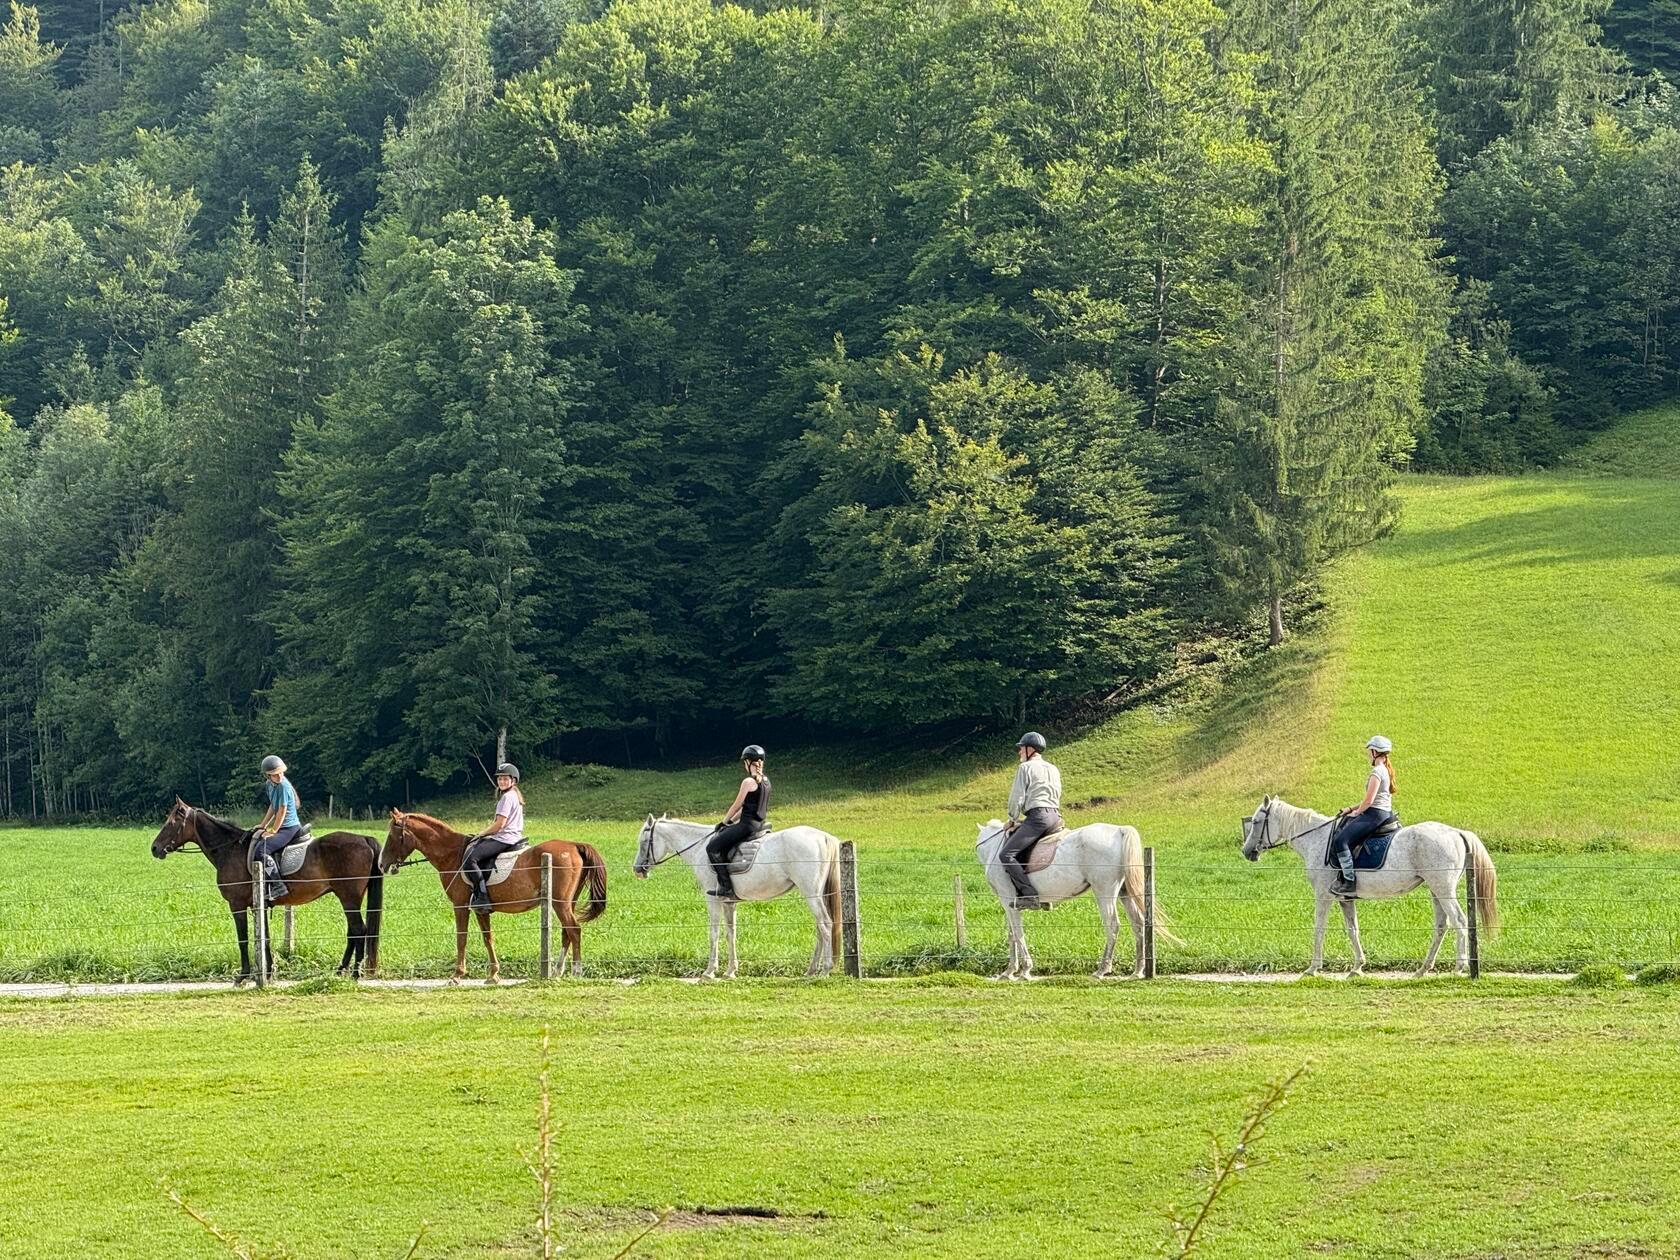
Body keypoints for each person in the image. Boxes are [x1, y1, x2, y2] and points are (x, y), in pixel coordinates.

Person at [998, 732, 1063, 911]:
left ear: (1029, 749)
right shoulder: (1053, 768)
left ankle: (1029, 895)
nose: (1019, 752)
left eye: (1021, 748)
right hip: (1055, 816)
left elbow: (1017, 796)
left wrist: (1012, 819)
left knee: (1006, 855)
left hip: (1038, 817)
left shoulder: (1025, 768)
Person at [1329, 735, 1398, 897]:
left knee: (1341, 840)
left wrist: (1357, 812)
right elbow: (1371, 800)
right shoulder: (1385, 770)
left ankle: (1349, 882)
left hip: (1375, 814)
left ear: (1375, 752)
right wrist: (1349, 808)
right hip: (1382, 812)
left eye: (1369, 751)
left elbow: (1368, 801)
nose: (1368, 755)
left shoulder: (1377, 772)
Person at [706, 746, 771, 900]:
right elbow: (748, 808)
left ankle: (726, 887)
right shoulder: (766, 781)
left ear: (749, 762)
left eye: (745, 762)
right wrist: (730, 822)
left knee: (712, 847)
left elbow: (737, 806)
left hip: (747, 826)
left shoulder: (748, 782)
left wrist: (723, 822)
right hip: (759, 824)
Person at [465, 763, 527, 912]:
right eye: (499, 779)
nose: (501, 782)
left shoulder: (506, 798)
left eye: (505, 779)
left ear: (513, 780)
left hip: (504, 838)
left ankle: (482, 897)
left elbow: (499, 824)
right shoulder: (515, 796)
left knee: (470, 859)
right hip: (513, 836)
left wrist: (481, 834)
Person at [255, 755, 304, 904]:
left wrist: (273, 831)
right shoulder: (269, 785)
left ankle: (278, 885)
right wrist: (263, 825)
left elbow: (282, 810)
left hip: (289, 828)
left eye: (281, 772)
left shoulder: (283, 785)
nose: (279, 776)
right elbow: (273, 806)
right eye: (275, 774)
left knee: (261, 850)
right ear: (268, 775)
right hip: (281, 827)